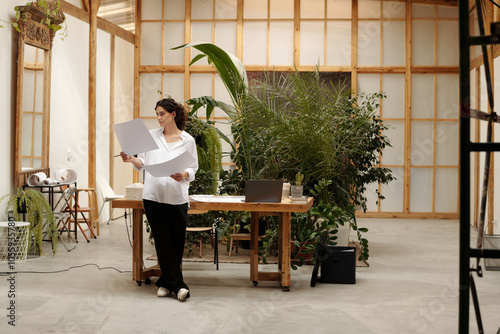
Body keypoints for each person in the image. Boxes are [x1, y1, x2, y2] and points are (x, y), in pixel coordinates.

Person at [120, 98, 198, 302]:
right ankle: (179, 287)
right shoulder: (151, 137)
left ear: (173, 114)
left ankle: (165, 282)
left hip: (177, 197)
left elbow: (193, 167)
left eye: (162, 113)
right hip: (153, 196)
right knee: (163, 242)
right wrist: (131, 159)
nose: (158, 118)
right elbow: (142, 162)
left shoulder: (188, 140)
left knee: (176, 243)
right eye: (157, 113)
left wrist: (184, 174)